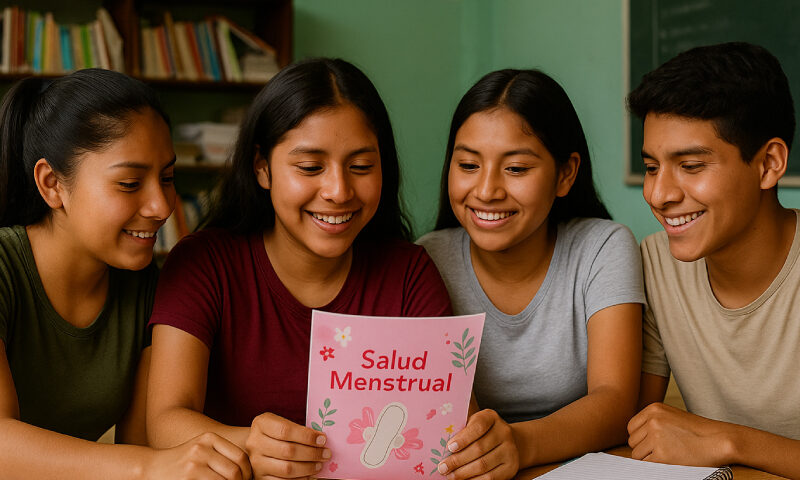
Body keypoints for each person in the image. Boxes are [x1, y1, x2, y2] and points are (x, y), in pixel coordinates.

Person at [145, 58, 453, 479]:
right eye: (310, 167)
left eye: (361, 167)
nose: (338, 191)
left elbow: (447, 423)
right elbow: (165, 421)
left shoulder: (409, 272)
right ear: (262, 167)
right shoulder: (204, 263)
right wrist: (250, 444)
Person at [0, 69, 251, 479]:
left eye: (167, 178)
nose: (161, 206)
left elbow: (139, 442)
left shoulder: (145, 284)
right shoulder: (5, 269)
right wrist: (150, 466)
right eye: (130, 183)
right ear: (52, 184)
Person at [417, 69, 645, 479]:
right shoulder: (424, 260)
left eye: (516, 169)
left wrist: (518, 444)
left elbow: (616, 401)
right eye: (468, 164)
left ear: (565, 174)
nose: (486, 190)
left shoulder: (603, 247)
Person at [627, 42, 800, 478]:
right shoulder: (654, 264)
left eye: (690, 165)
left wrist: (727, 440)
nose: (660, 194)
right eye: (651, 167)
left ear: (769, 164)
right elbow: (640, 431)